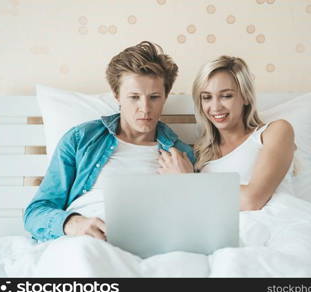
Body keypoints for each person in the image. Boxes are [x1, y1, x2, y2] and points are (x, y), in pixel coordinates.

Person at [23, 41, 195, 242]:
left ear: (165, 96)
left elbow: (197, 224)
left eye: (154, 97)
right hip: (89, 240)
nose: (145, 108)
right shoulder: (81, 139)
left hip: (151, 243)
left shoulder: (181, 155)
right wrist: (74, 224)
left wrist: (188, 184)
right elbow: (35, 212)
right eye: (134, 97)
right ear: (117, 96)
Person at [158, 55, 296, 210]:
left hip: (276, 225)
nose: (215, 107)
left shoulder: (276, 131)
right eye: (207, 97)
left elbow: (252, 200)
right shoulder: (201, 154)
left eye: (226, 96)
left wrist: (189, 181)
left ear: (245, 97)